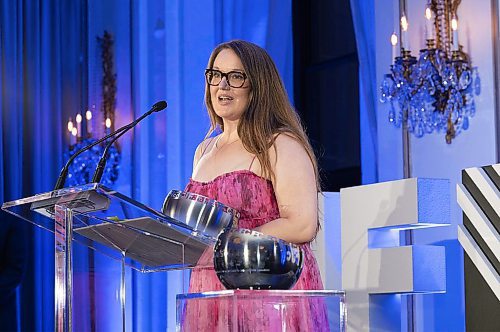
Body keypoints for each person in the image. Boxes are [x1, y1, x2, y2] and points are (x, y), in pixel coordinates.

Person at [182, 40, 328, 330]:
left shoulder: (278, 144)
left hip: (267, 288)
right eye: (215, 75)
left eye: (236, 77)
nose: (222, 86)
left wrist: (231, 243)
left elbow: (302, 224)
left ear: (257, 85)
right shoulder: (203, 151)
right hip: (211, 286)